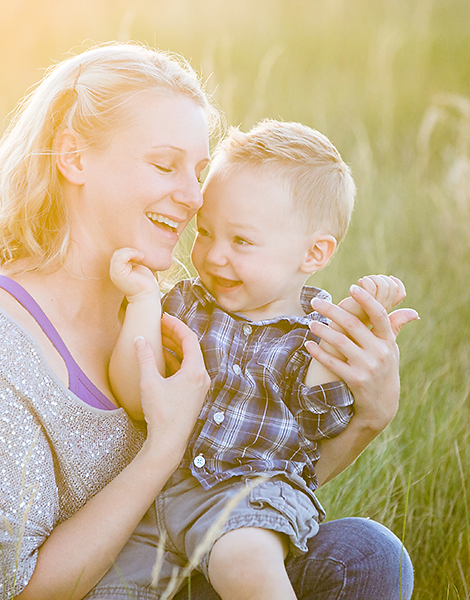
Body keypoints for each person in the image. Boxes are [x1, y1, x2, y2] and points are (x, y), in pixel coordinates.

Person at [0, 42, 416, 600]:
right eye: (165, 165)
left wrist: (369, 418)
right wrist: (163, 446)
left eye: (197, 172)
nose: (194, 199)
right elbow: (5, 594)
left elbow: (247, 476)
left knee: (366, 554)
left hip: (187, 571)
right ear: (73, 158)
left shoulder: (166, 305)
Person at [102, 120, 409, 600]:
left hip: (249, 499)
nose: (214, 256)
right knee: (110, 586)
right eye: (206, 233)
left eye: (241, 241)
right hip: (159, 499)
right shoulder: (186, 306)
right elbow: (134, 394)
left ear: (313, 253)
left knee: (244, 560)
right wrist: (143, 300)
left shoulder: (310, 333)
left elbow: (321, 416)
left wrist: (343, 331)